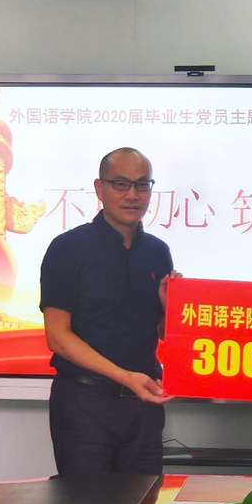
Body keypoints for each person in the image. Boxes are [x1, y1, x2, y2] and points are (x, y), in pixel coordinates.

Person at [40, 147, 178, 476]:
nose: (133, 195)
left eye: (142, 185)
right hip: (84, 405)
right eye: (120, 184)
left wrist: (169, 306)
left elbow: (162, 332)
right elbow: (57, 337)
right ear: (99, 188)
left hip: (143, 408)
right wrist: (124, 377)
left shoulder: (158, 252)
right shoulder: (68, 248)